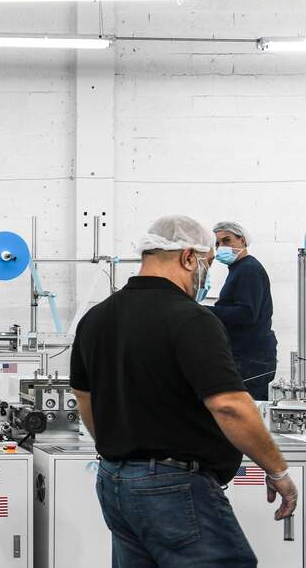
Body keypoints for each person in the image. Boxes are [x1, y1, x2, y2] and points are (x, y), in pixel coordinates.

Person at [70, 215, 298, 568]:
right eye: (206, 263)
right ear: (189, 258)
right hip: (174, 487)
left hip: (114, 482)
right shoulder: (192, 318)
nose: (203, 277)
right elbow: (229, 405)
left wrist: (121, 452)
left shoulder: (96, 318)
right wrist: (277, 471)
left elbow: (84, 397)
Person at [208, 221, 278, 400]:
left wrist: (206, 311)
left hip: (252, 358)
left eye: (227, 240)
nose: (221, 247)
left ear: (243, 241)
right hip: (248, 355)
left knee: (247, 408)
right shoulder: (238, 269)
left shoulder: (248, 269)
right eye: (217, 243)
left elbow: (247, 314)